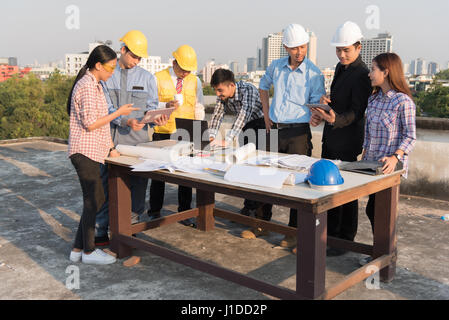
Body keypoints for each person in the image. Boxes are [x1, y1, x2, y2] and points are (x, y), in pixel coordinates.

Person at [242, 23, 325, 247]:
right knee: (266, 177)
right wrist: (267, 115)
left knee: (297, 183)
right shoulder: (276, 67)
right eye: (294, 48)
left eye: (303, 47)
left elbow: (318, 103)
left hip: (299, 133)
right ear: (286, 47)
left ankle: (293, 233)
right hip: (275, 130)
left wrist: (316, 114)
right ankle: (261, 224)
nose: (299, 52)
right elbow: (263, 86)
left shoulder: (314, 73)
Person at [67, 45, 139, 264]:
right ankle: (89, 252)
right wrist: (118, 112)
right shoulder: (87, 86)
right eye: (110, 68)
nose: (111, 73)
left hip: (94, 151)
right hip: (84, 150)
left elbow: (103, 127)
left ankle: (78, 249)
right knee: (95, 200)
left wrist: (111, 148)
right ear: (98, 65)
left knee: (93, 200)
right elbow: (90, 124)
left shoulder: (96, 85)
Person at [95, 30, 167, 246]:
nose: (137, 61)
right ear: (123, 50)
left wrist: (157, 119)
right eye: (134, 56)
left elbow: (152, 108)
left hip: (139, 143)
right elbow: (104, 108)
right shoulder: (108, 75)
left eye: (140, 58)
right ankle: (101, 230)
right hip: (110, 142)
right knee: (106, 187)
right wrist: (124, 121)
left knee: (137, 187)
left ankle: (132, 228)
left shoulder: (147, 78)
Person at [309, 21, 372, 257]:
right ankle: (331, 235)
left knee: (345, 192)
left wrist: (335, 119)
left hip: (347, 140)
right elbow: (341, 103)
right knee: (329, 186)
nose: (342, 54)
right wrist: (326, 105)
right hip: (332, 137)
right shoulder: (339, 68)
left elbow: (358, 111)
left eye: (346, 50)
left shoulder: (362, 74)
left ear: (358, 48)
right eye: (338, 50)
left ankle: (344, 238)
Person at [359, 52, 416, 265]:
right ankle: (381, 253)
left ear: (386, 71)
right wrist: (364, 155)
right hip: (371, 165)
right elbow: (368, 132)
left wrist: (395, 157)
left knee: (381, 211)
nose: (370, 74)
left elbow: (410, 136)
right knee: (373, 209)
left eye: (373, 69)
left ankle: (385, 257)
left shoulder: (404, 102)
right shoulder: (373, 100)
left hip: (389, 167)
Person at [148, 45, 205, 227]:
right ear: (173, 63)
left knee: (185, 174)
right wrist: (166, 103)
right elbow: (150, 103)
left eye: (188, 70)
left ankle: (185, 211)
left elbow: (199, 107)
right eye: (182, 69)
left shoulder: (195, 81)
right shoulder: (158, 78)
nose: (185, 74)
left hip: (186, 133)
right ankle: (154, 211)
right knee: (158, 174)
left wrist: (200, 135)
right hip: (163, 132)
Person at [208, 69, 267, 229]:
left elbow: (243, 115)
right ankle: (248, 208)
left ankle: (260, 216)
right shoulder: (223, 96)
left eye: (220, 90)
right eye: (216, 90)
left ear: (232, 85)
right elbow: (217, 115)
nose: (218, 94)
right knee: (245, 168)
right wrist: (212, 136)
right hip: (246, 129)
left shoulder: (247, 90)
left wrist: (227, 140)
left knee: (259, 169)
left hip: (262, 126)